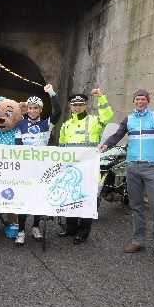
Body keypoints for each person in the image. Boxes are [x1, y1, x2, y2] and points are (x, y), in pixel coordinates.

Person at [99, 89, 154, 263]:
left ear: (148, 101)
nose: (140, 102)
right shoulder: (129, 119)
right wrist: (105, 145)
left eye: (143, 99)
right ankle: (138, 241)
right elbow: (117, 135)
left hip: (151, 168)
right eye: (137, 99)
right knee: (136, 206)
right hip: (133, 167)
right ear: (134, 101)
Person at [58, 88, 113, 244]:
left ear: (85, 106)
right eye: (74, 105)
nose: (77, 107)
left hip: (88, 169)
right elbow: (62, 147)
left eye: (80, 105)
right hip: (71, 169)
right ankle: (71, 228)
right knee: (70, 196)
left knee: (86, 199)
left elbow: (107, 115)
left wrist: (101, 97)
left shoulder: (94, 121)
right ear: (70, 107)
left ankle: (83, 232)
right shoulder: (66, 125)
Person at [14, 84, 61, 245]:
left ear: (40, 110)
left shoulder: (47, 124)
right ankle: (21, 230)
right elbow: (17, 144)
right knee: (24, 199)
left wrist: (51, 93)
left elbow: (59, 112)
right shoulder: (21, 124)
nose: (33, 111)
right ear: (27, 110)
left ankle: (35, 226)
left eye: (36, 108)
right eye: (30, 108)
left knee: (38, 199)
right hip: (26, 168)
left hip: (41, 169)